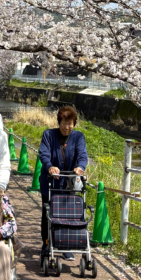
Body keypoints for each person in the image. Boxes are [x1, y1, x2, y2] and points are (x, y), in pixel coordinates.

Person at [37, 104, 89, 261]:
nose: (67, 127)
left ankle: (66, 245)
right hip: (50, 182)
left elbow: (82, 155)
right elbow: (44, 154)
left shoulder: (78, 137)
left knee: (68, 214)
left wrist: (80, 167)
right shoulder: (48, 135)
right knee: (48, 213)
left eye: (70, 123)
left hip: (69, 182)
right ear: (59, 122)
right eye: (64, 123)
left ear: (74, 123)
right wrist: (50, 167)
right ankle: (47, 243)